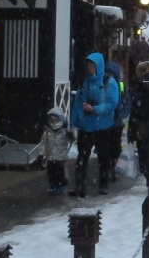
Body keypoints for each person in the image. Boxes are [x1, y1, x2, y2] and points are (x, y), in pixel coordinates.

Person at [70, 53, 119, 197]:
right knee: (81, 158)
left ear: (99, 66)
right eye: (88, 65)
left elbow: (112, 104)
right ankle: (80, 187)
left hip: (103, 128)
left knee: (104, 157)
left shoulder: (109, 82)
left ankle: (103, 185)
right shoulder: (84, 83)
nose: (89, 68)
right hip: (86, 127)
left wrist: (95, 109)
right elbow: (77, 104)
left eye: (92, 65)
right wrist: (73, 124)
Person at [39, 107, 72, 195]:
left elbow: (71, 140)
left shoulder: (64, 131)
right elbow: (43, 142)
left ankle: (62, 185)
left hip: (60, 156)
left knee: (60, 172)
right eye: (52, 118)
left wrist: (71, 135)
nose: (54, 121)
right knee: (51, 173)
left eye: (56, 118)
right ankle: (53, 186)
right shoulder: (47, 131)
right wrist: (42, 153)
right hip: (50, 156)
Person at [105, 61, 129, 183]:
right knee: (107, 147)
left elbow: (128, 102)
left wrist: (123, 114)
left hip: (117, 122)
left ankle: (114, 166)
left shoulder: (121, 86)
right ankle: (109, 167)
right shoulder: (103, 84)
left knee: (115, 147)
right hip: (106, 122)